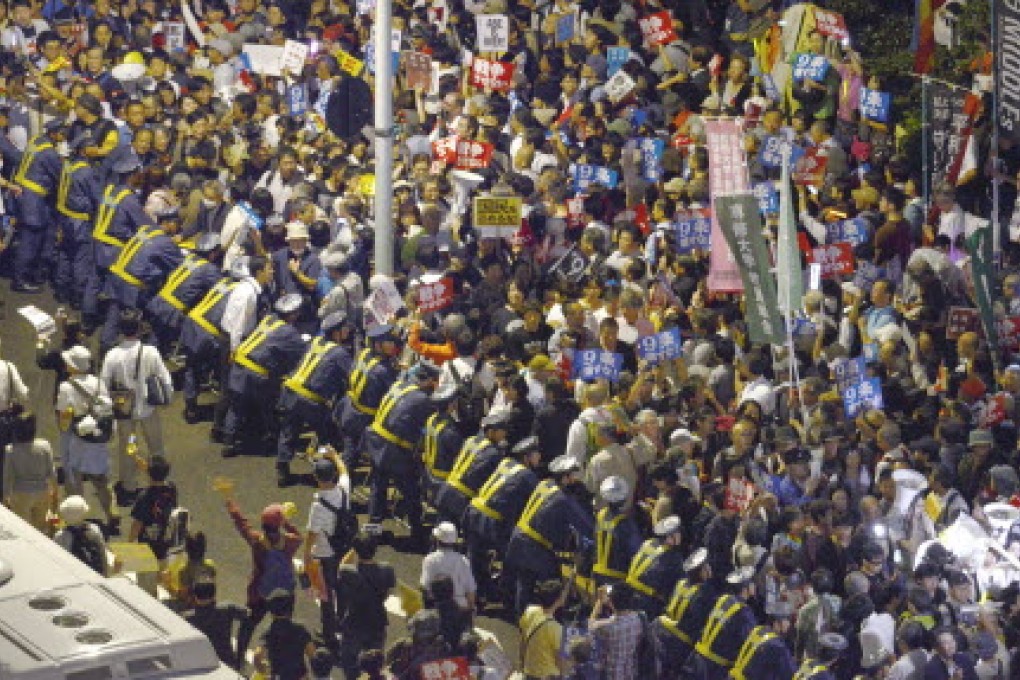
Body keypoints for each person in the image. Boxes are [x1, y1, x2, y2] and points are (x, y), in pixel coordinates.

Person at [216, 480, 302, 670]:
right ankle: (281, 659)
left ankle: (239, 660)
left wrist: (229, 500)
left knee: (248, 625)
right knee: (282, 626)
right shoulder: (290, 542)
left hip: (260, 592)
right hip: (285, 593)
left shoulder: (257, 541)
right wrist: (287, 522)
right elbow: (299, 536)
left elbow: (242, 524)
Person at [99, 309, 172, 507]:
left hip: (126, 414)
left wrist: (107, 410)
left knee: (130, 448)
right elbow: (165, 379)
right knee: (156, 447)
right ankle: (159, 482)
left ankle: (129, 487)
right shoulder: (150, 352)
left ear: (121, 330)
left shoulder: (112, 355)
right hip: (148, 411)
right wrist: (166, 399)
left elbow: (103, 385)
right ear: (139, 329)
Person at [56, 344, 119, 532]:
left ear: (74, 365)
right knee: (101, 479)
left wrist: (64, 429)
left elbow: (64, 416)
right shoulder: (99, 383)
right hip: (98, 439)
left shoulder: (66, 387)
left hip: (78, 438)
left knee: (74, 479)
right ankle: (111, 511)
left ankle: (78, 517)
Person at [303, 449, 352, 657]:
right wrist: (335, 456)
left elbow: (312, 533)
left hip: (325, 552)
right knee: (342, 589)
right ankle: (342, 623)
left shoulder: (318, 505)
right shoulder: (343, 490)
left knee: (325, 595)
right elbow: (344, 470)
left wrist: (306, 553)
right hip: (344, 549)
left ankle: (329, 634)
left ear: (316, 478)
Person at [336, 532, 395, 680]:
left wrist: (354, 548)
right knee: (375, 661)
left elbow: (342, 564)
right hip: (377, 620)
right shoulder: (387, 570)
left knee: (350, 663)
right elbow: (388, 593)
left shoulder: (348, 572)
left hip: (354, 621)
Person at [2, 409, 58, 533]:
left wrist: (6, 497)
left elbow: (7, 476)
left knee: (23, 530)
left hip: (20, 494)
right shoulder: (44, 446)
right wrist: (55, 493)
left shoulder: (10, 450)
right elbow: (52, 473)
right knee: (40, 528)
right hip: (42, 491)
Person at [184, 579, 248, 670]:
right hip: (226, 660)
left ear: (195, 596)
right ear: (214, 595)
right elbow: (248, 614)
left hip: (201, 663)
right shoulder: (227, 609)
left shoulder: (188, 618)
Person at [253, 588, 316, 680]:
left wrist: (261, 668)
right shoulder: (300, 630)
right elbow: (312, 654)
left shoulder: (269, 633)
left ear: (271, 612)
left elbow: (257, 655)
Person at [589, 583, 644, 680]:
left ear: (610, 602)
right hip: (630, 671)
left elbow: (591, 624)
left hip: (612, 672)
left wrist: (600, 601)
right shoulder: (639, 618)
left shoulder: (607, 626)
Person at [420, 522, 476, 613]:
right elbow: (471, 590)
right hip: (460, 607)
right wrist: (469, 611)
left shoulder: (430, 559)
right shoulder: (463, 561)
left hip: (437, 607)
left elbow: (424, 587)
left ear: (437, 540)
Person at [519, 579, 567, 680]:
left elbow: (523, 641)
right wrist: (563, 675)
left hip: (529, 673)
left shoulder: (529, 611)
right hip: (548, 676)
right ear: (557, 600)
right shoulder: (557, 629)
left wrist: (523, 664)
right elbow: (559, 660)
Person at [52, 495, 109, 575]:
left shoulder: (60, 536)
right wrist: (105, 574)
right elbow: (103, 554)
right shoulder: (94, 529)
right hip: (95, 574)